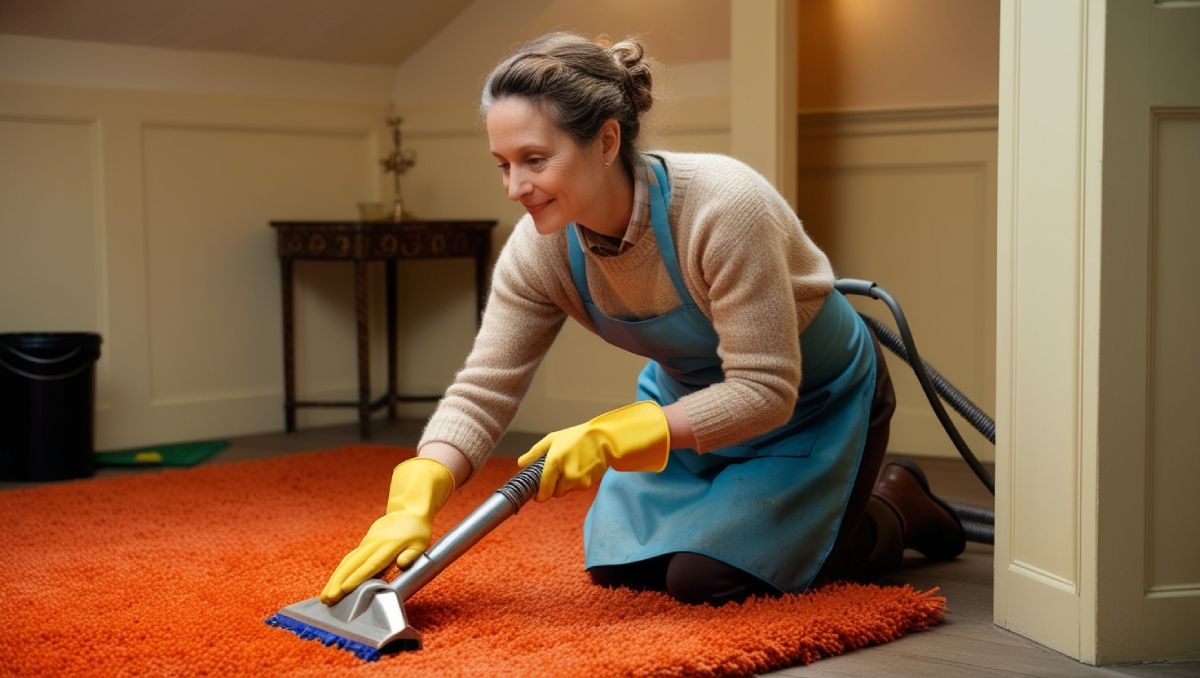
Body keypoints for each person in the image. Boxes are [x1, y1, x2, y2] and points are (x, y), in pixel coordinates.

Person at [320, 32, 966, 607]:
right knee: (620, 569)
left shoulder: (721, 207)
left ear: (606, 139)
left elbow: (765, 392)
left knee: (705, 580)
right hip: (685, 406)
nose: (515, 187)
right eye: (503, 164)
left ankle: (897, 508)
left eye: (535, 160)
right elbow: (485, 387)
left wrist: (608, 438)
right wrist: (421, 486)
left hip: (809, 402)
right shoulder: (540, 246)